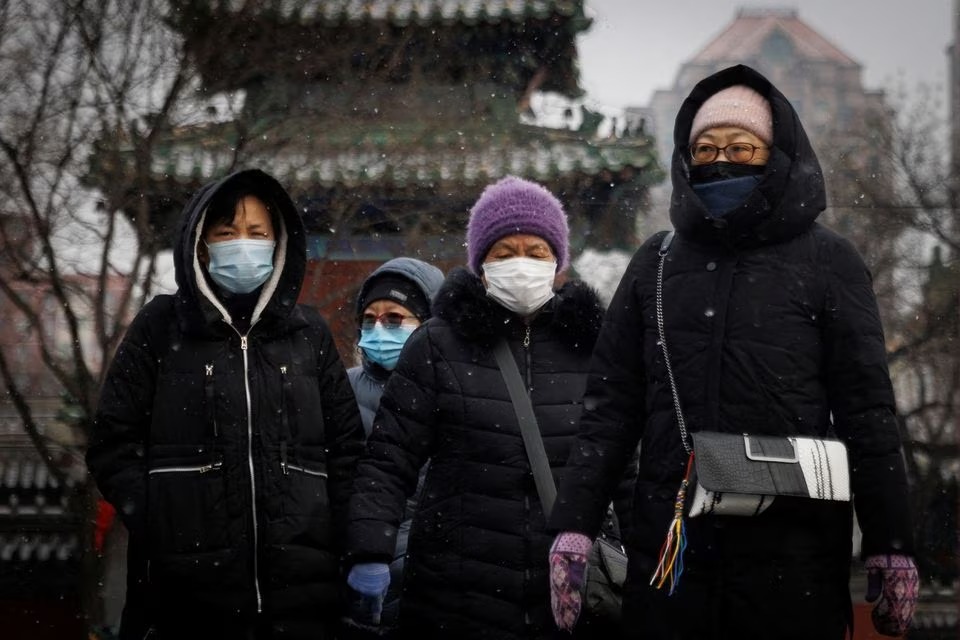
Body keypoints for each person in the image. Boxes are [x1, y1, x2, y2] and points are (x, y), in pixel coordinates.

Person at [547, 64, 919, 639]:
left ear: (775, 154)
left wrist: (892, 545)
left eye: (741, 147)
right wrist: (573, 528)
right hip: (673, 552)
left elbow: (867, 411)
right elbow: (609, 410)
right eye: (705, 147)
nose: (721, 160)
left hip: (793, 558)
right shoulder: (657, 262)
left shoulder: (830, 261)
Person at [344, 176, 632, 639]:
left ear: (558, 263)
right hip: (455, 589)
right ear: (480, 264)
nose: (521, 263)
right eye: (503, 252)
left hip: (568, 587)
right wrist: (370, 550)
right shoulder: (438, 345)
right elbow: (388, 461)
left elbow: (625, 463)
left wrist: (654, 557)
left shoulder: (594, 347)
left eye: (536, 251)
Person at [86, 168, 365, 640]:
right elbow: (112, 444)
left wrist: (334, 538)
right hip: (183, 596)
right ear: (201, 243)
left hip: (301, 595)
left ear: (278, 243)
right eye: (227, 232)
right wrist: (163, 519)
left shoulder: (308, 334)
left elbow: (346, 451)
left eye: (258, 233)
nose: (243, 244)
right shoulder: (160, 328)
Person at [343, 257, 444, 635]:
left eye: (395, 319)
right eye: (369, 319)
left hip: (439, 581)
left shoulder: (457, 390)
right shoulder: (340, 389)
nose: (378, 329)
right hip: (364, 582)